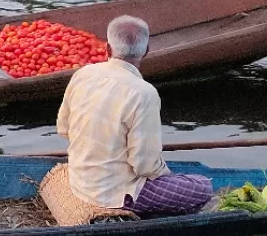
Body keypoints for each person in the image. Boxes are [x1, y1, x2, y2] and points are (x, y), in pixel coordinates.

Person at [56, 15, 214, 215]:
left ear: (107, 49)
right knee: (202, 187)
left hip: (79, 179)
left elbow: (63, 128)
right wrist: (166, 175)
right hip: (112, 195)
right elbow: (145, 166)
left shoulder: (83, 74)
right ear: (146, 51)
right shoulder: (143, 93)